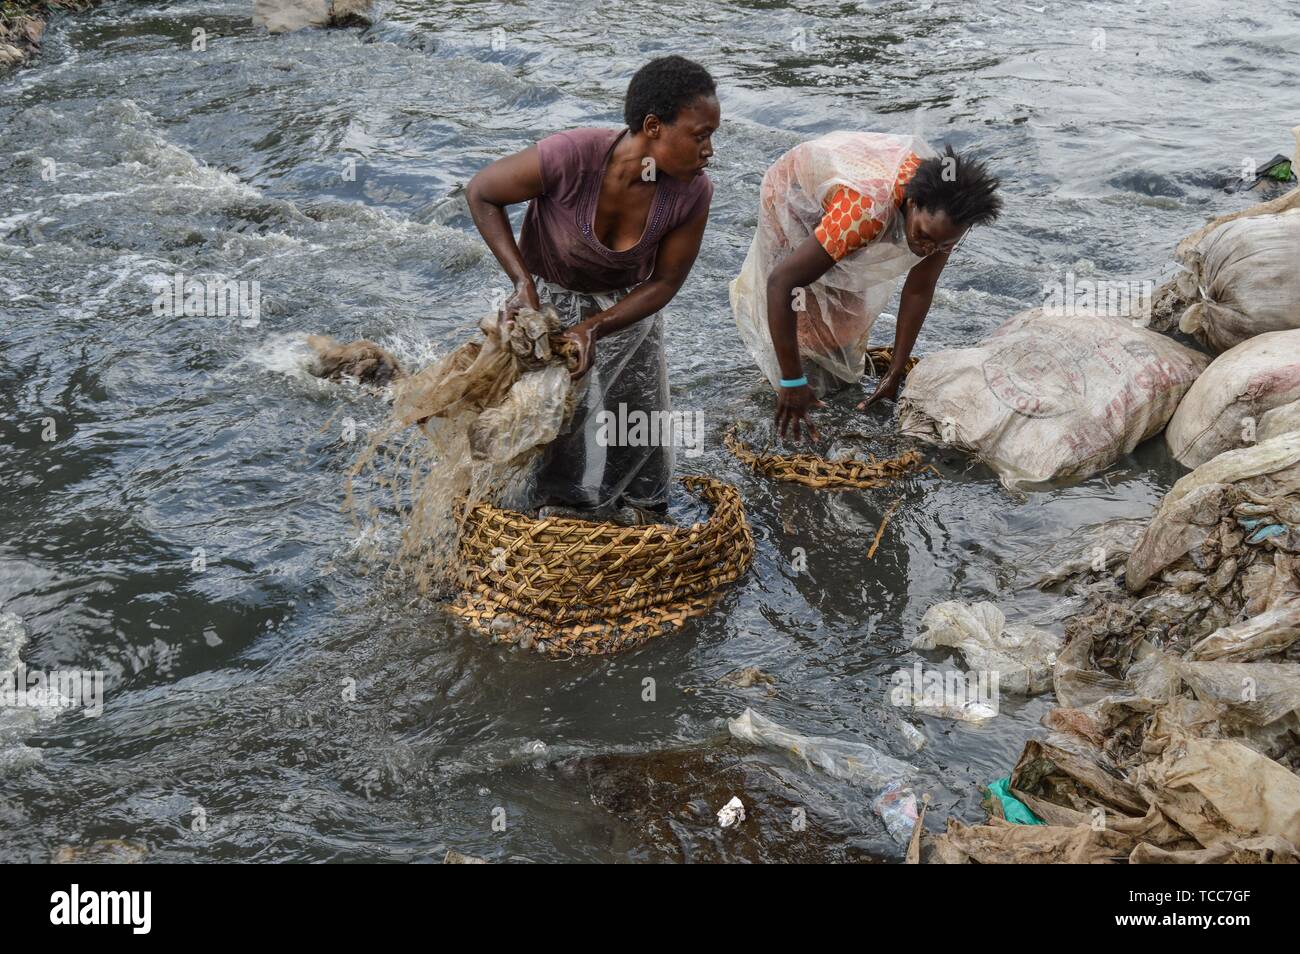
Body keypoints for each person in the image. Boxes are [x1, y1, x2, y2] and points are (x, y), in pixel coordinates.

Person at [466, 55, 719, 522]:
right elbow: (481, 192)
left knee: (638, 433)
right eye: (699, 136)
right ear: (653, 127)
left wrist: (596, 329)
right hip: (552, 304)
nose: (709, 150)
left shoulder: (691, 192)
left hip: (626, 311)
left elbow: (665, 281)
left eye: (711, 137)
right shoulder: (572, 157)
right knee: (559, 432)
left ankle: (637, 520)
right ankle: (554, 516)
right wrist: (522, 284)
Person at [730, 132, 1002, 440]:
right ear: (912, 203)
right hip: (795, 192)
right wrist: (792, 381)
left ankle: (824, 384)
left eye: (942, 245)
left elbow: (919, 289)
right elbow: (782, 282)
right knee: (805, 316)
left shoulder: (944, 222)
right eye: (923, 236)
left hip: (853, 180)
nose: (928, 249)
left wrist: (895, 371)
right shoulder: (864, 214)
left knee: (845, 318)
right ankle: (782, 391)